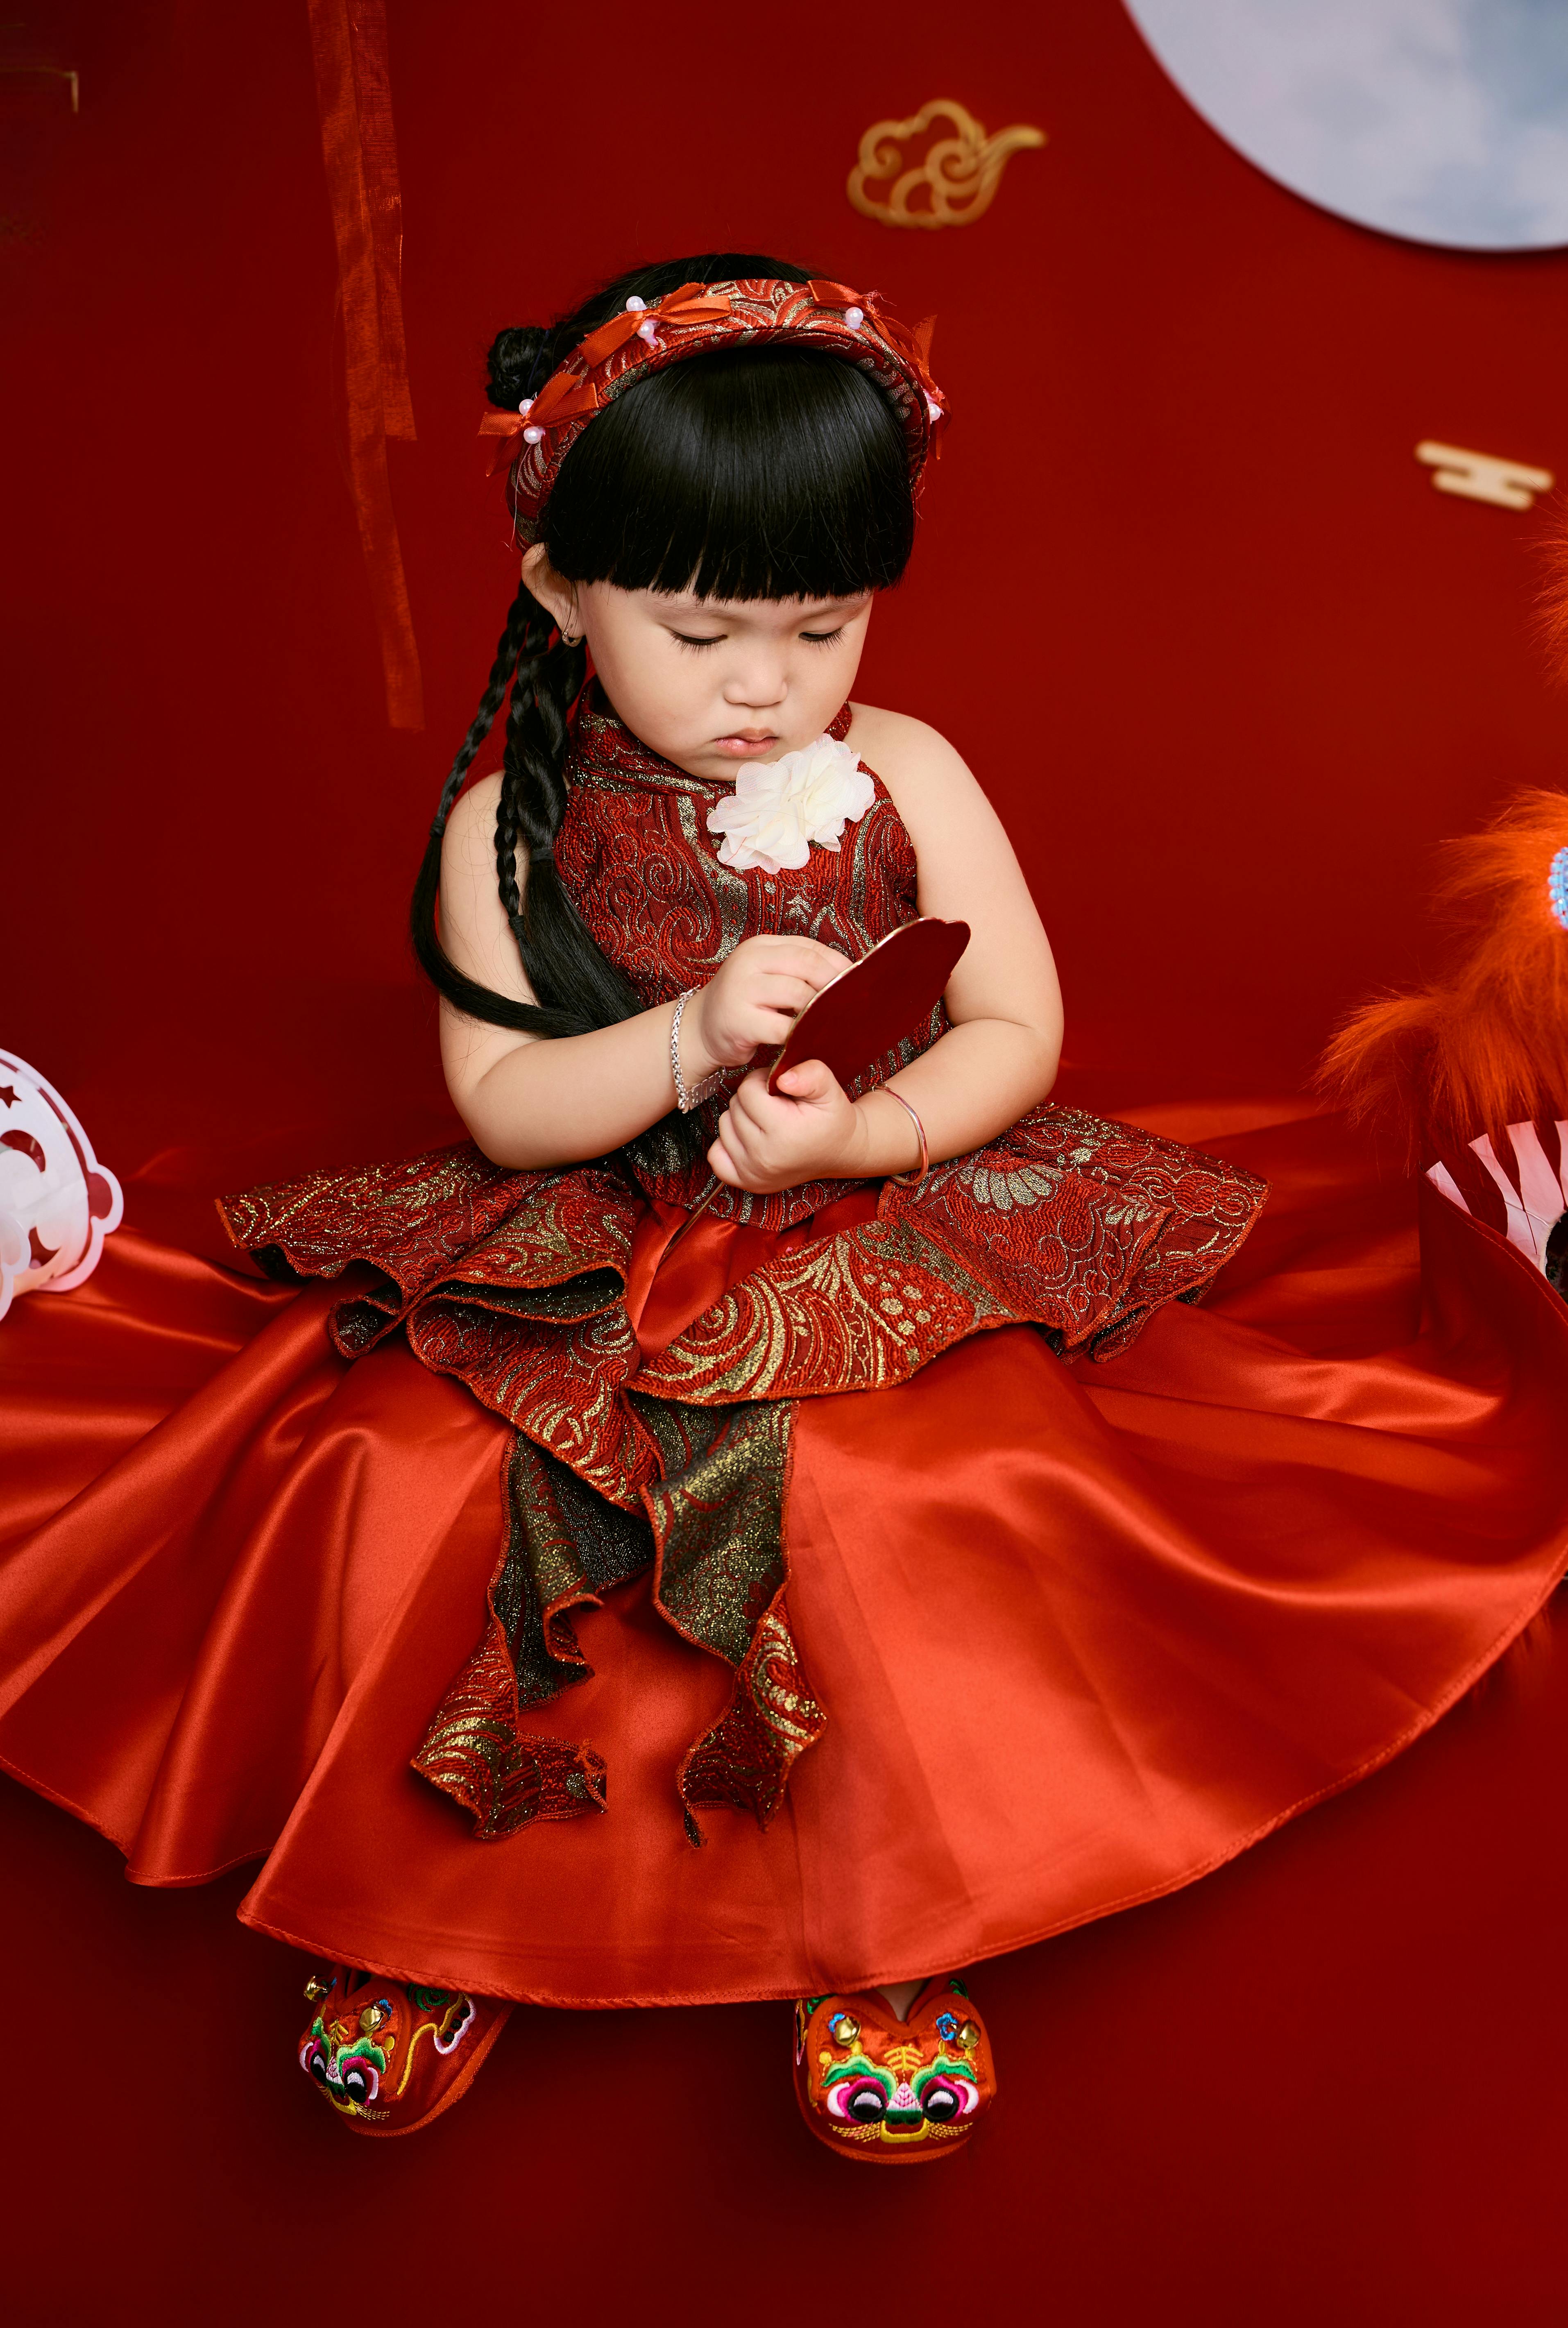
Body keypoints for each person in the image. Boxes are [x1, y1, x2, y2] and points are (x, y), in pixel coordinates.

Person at [3, 255, 1565, 2164]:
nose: (769, 684)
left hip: (857, 1225)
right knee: (406, 1483)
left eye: (822, 627)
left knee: (908, 1506)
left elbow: (1020, 1024)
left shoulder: (904, 770)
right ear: (558, 589)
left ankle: (892, 1923)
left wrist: (862, 1130)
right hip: (585, 1233)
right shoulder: (508, 820)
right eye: (702, 630)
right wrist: (673, 1043)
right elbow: (502, 1106)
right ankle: (422, 1902)